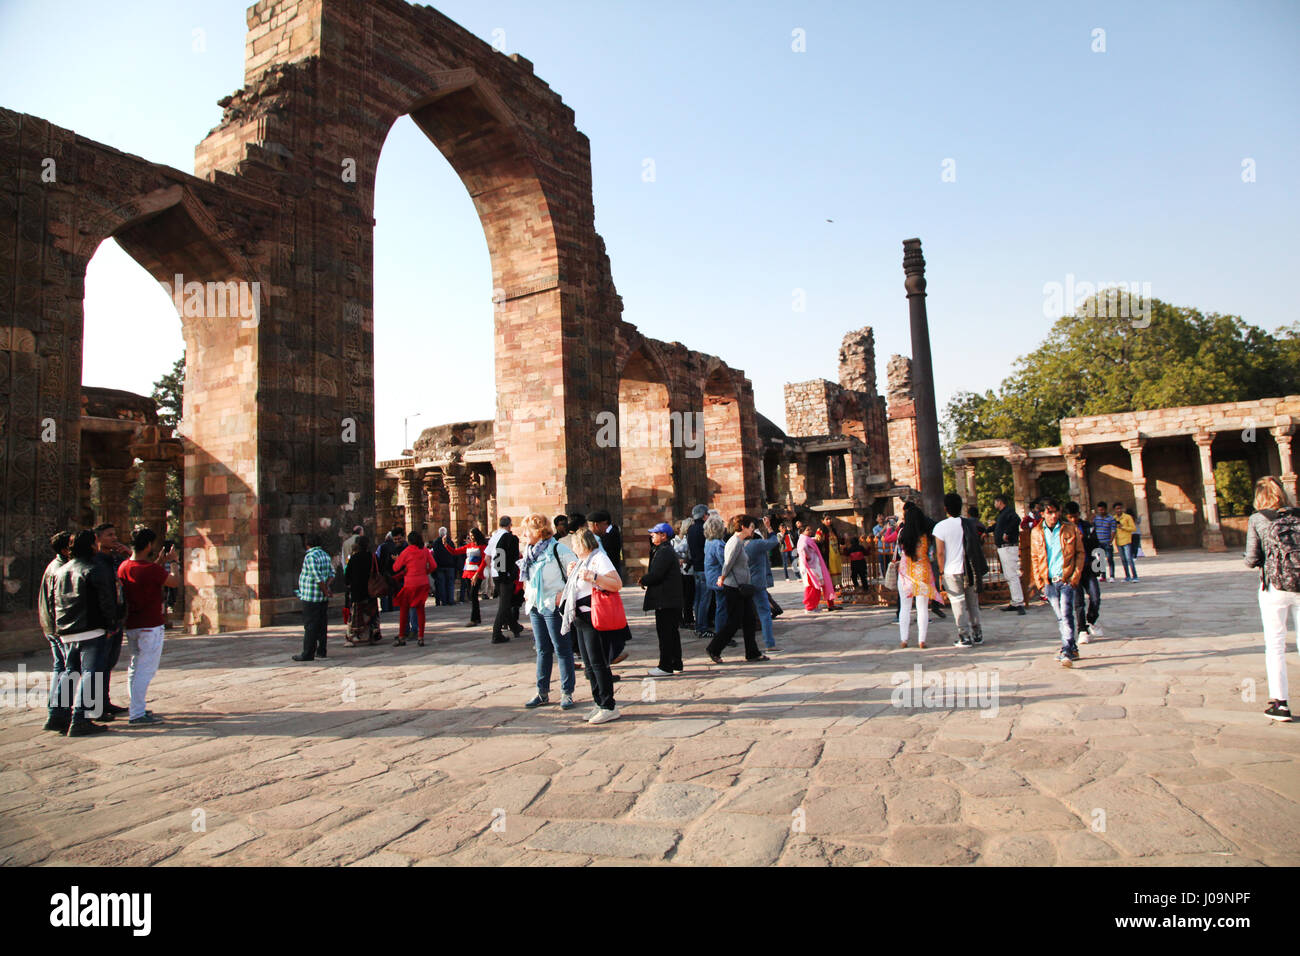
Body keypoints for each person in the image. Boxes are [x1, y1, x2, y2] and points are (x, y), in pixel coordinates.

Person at [1244, 476, 1300, 722]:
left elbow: (1252, 559)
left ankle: (1281, 704)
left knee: (1275, 645)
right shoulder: (1299, 515)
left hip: (1274, 587)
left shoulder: (1258, 519)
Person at [53, 530, 118, 735]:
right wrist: (111, 625)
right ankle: (80, 719)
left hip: (67, 629)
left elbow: (53, 600)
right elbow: (106, 601)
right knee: (91, 674)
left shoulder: (61, 570)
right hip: (90, 628)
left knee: (69, 673)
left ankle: (59, 716)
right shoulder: (94, 568)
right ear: (92, 545)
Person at [559, 529, 623, 724]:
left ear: (584, 544)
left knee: (598, 663)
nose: (574, 548)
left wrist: (593, 577)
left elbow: (616, 583)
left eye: (576, 544)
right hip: (581, 618)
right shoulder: (582, 561)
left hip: (594, 617)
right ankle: (598, 702)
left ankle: (608, 705)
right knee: (589, 664)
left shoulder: (599, 559)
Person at [116, 527, 177, 725]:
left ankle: (137, 707)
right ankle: (137, 713)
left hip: (132, 625)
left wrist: (161, 562)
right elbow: (175, 582)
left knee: (135, 667)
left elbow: (148, 575)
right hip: (150, 626)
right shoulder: (150, 570)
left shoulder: (124, 566)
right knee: (145, 670)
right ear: (149, 545)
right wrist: (174, 562)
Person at [519, 513, 579, 710]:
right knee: (542, 649)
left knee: (562, 648)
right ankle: (542, 692)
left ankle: (567, 692)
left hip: (553, 605)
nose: (524, 533)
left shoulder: (556, 548)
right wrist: (527, 591)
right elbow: (528, 575)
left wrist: (563, 593)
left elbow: (576, 570)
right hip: (536, 605)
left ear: (538, 530)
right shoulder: (529, 551)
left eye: (526, 529)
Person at [1029, 499, 1086, 667]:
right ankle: (1071, 647)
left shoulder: (1070, 529)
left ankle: (1067, 649)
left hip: (1066, 579)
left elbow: (1080, 553)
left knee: (1066, 614)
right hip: (1049, 581)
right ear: (1042, 514)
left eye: (1056, 512)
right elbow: (1034, 557)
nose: (1053, 516)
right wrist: (1039, 582)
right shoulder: (1037, 532)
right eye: (1050, 513)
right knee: (1061, 616)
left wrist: (1075, 576)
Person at [705, 515, 767, 664]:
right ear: (743, 527)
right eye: (751, 526)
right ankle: (714, 648)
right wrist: (723, 577)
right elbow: (728, 563)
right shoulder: (734, 542)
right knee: (734, 622)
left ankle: (752, 653)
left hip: (741, 588)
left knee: (749, 620)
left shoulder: (739, 542)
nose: (753, 529)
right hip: (734, 588)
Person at [935, 493, 984, 648]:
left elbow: (940, 552)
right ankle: (977, 633)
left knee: (958, 603)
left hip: (951, 570)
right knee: (972, 603)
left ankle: (964, 636)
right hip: (968, 568)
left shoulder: (940, 527)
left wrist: (941, 572)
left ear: (945, 508)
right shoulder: (969, 523)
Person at [92, 523, 130, 719]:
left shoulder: (114, 560)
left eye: (115, 534)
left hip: (115, 618)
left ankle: (104, 701)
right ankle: (94, 707)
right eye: (109, 535)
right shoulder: (95, 562)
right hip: (103, 622)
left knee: (108, 663)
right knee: (98, 665)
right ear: (97, 539)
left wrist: (129, 554)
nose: (114, 538)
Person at [38, 532, 73, 733]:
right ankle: (58, 715)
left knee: (61, 668)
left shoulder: (54, 565)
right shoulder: (60, 569)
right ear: (64, 550)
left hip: (51, 626)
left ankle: (55, 712)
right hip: (59, 628)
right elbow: (55, 602)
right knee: (69, 669)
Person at [897, 501, 943, 648]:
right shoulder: (926, 535)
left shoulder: (902, 534)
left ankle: (904, 639)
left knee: (905, 607)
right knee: (922, 607)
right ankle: (921, 640)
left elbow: (899, 552)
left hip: (906, 572)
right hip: (922, 570)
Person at [641, 522, 685, 676]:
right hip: (669, 598)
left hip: (665, 599)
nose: (651, 535)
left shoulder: (664, 551)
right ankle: (675, 662)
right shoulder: (664, 550)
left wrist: (643, 580)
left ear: (663, 535)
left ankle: (665, 665)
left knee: (665, 633)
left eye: (655, 533)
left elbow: (657, 574)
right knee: (671, 632)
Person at [1065, 502, 1103, 643]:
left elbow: (1096, 546)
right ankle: (1082, 630)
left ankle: (1091, 620)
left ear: (1078, 515)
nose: (1073, 520)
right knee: (1078, 602)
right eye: (1070, 517)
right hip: (1073, 569)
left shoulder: (1087, 527)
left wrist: (1100, 568)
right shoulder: (1064, 529)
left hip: (1088, 567)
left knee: (1095, 597)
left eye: (1075, 517)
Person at [391, 530, 435, 646]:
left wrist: (398, 560)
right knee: (420, 610)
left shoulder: (406, 551)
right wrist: (425, 572)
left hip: (410, 583)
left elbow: (396, 568)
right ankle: (421, 637)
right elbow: (434, 565)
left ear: (409, 541)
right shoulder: (425, 550)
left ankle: (401, 636)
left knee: (404, 610)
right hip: (422, 583)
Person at [745, 515, 783, 652]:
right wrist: (769, 527)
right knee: (764, 612)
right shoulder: (756, 545)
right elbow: (774, 541)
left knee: (742, 615)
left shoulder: (737, 543)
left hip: (743, 584)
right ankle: (769, 644)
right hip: (757, 584)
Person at [293, 533, 333, 661]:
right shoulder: (325, 555)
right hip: (322, 597)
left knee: (310, 625)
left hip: (311, 597)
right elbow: (332, 573)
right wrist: (327, 588)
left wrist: (324, 589)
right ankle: (321, 651)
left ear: (307, 544)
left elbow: (317, 577)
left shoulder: (310, 556)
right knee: (321, 624)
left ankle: (308, 653)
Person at [344, 535, 382, 645]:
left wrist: (349, 585)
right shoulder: (372, 557)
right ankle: (372, 633)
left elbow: (347, 576)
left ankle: (354, 635)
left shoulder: (354, 558)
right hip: (371, 590)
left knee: (357, 614)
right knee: (371, 612)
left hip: (357, 591)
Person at [490, 517, 523, 644]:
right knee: (504, 604)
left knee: (506, 602)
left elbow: (488, 556)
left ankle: (515, 627)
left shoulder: (494, 536)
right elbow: (514, 558)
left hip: (495, 573)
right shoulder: (511, 538)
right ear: (510, 525)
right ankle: (496, 633)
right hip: (504, 574)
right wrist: (510, 574)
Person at [992, 494, 1026, 614]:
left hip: (1008, 547)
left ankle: (1019, 602)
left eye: (995, 502)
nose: (994, 505)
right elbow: (997, 526)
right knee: (1009, 575)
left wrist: (1007, 532)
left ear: (1000, 502)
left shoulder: (1009, 512)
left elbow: (1017, 520)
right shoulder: (1002, 515)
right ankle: (1015, 601)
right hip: (1003, 548)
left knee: (1012, 575)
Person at [447, 528, 488, 625]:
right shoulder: (469, 546)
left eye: (472, 535)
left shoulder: (482, 547)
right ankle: (477, 618)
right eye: (470, 535)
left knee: (473, 595)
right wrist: (446, 545)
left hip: (476, 574)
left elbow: (484, 561)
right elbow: (455, 552)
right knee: (472, 596)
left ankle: (474, 619)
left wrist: (477, 574)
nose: (471, 537)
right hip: (467, 572)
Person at [798, 521, 837, 612]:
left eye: (810, 529)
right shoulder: (803, 541)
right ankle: (809, 607)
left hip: (815, 567)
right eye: (808, 530)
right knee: (812, 588)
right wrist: (806, 557)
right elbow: (802, 549)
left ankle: (813, 606)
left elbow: (815, 539)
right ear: (802, 531)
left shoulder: (807, 539)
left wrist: (818, 533)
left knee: (816, 587)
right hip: (810, 568)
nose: (810, 531)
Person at [687, 504, 712, 638]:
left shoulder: (690, 529)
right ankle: (702, 627)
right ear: (704, 515)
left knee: (698, 599)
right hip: (704, 567)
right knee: (704, 599)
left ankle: (698, 625)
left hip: (696, 567)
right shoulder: (704, 529)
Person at [703, 515, 729, 635]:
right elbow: (724, 563)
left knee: (721, 605)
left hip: (711, 577)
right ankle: (722, 633)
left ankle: (722, 632)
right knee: (723, 607)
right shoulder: (718, 544)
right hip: (719, 578)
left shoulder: (708, 542)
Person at [589, 510, 625, 582]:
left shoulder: (601, 537)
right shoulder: (589, 541)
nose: (606, 527)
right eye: (605, 524)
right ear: (596, 525)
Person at [672, 518, 696, 628]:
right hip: (680, 572)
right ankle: (681, 619)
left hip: (689, 571)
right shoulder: (673, 541)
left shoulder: (688, 539)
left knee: (688, 597)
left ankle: (688, 618)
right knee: (683, 596)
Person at [376, 527, 405, 612]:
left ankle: (386, 609)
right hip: (397, 573)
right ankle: (395, 608)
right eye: (395, 539)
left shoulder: (382, 547)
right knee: (395, 592)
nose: (396, 541)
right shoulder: (400, 546)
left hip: (387, 573)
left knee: (386, 592)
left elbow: (378, 558)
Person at [430, 528, 456, 607]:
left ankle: (444, 601)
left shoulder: (436, 543)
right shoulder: (450, 542)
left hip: (440, 566)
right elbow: (453, 553)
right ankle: (450, 600)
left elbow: (435, 555)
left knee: (442, 584)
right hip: (450, 565)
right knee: (450, 584)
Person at [1092, 502, 1117, 581]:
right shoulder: (1096, 518)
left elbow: (1113, 530)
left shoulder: (1111, 519)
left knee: (1110, 559)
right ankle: (1103, 576)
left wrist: (1110, 541)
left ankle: (1112, 576)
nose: (1101, 511)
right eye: (1099, 510)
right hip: (1099, 542)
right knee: (1100, 559)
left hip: (1107, 541)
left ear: (1105, 509)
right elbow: (1093, 528)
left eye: (1102, 510)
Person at [1113, 502, 1138, 581]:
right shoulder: (1114, 518)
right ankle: (1127, 576)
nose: (1119, 510)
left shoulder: (1127, 517)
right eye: (1117, 509)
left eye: (1120, 508)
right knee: (1123, 560)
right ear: (1115, 510)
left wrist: (1123, 527)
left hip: (1127, 540)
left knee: (1129, 559)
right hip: (1118, 541)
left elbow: (1133, 528)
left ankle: (1135, 576)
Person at [160, 539, 180, 629]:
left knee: (167, 599)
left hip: (166, 581)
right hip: (167, 581)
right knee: (166, 599)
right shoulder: (168, 561)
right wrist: (173, 561)